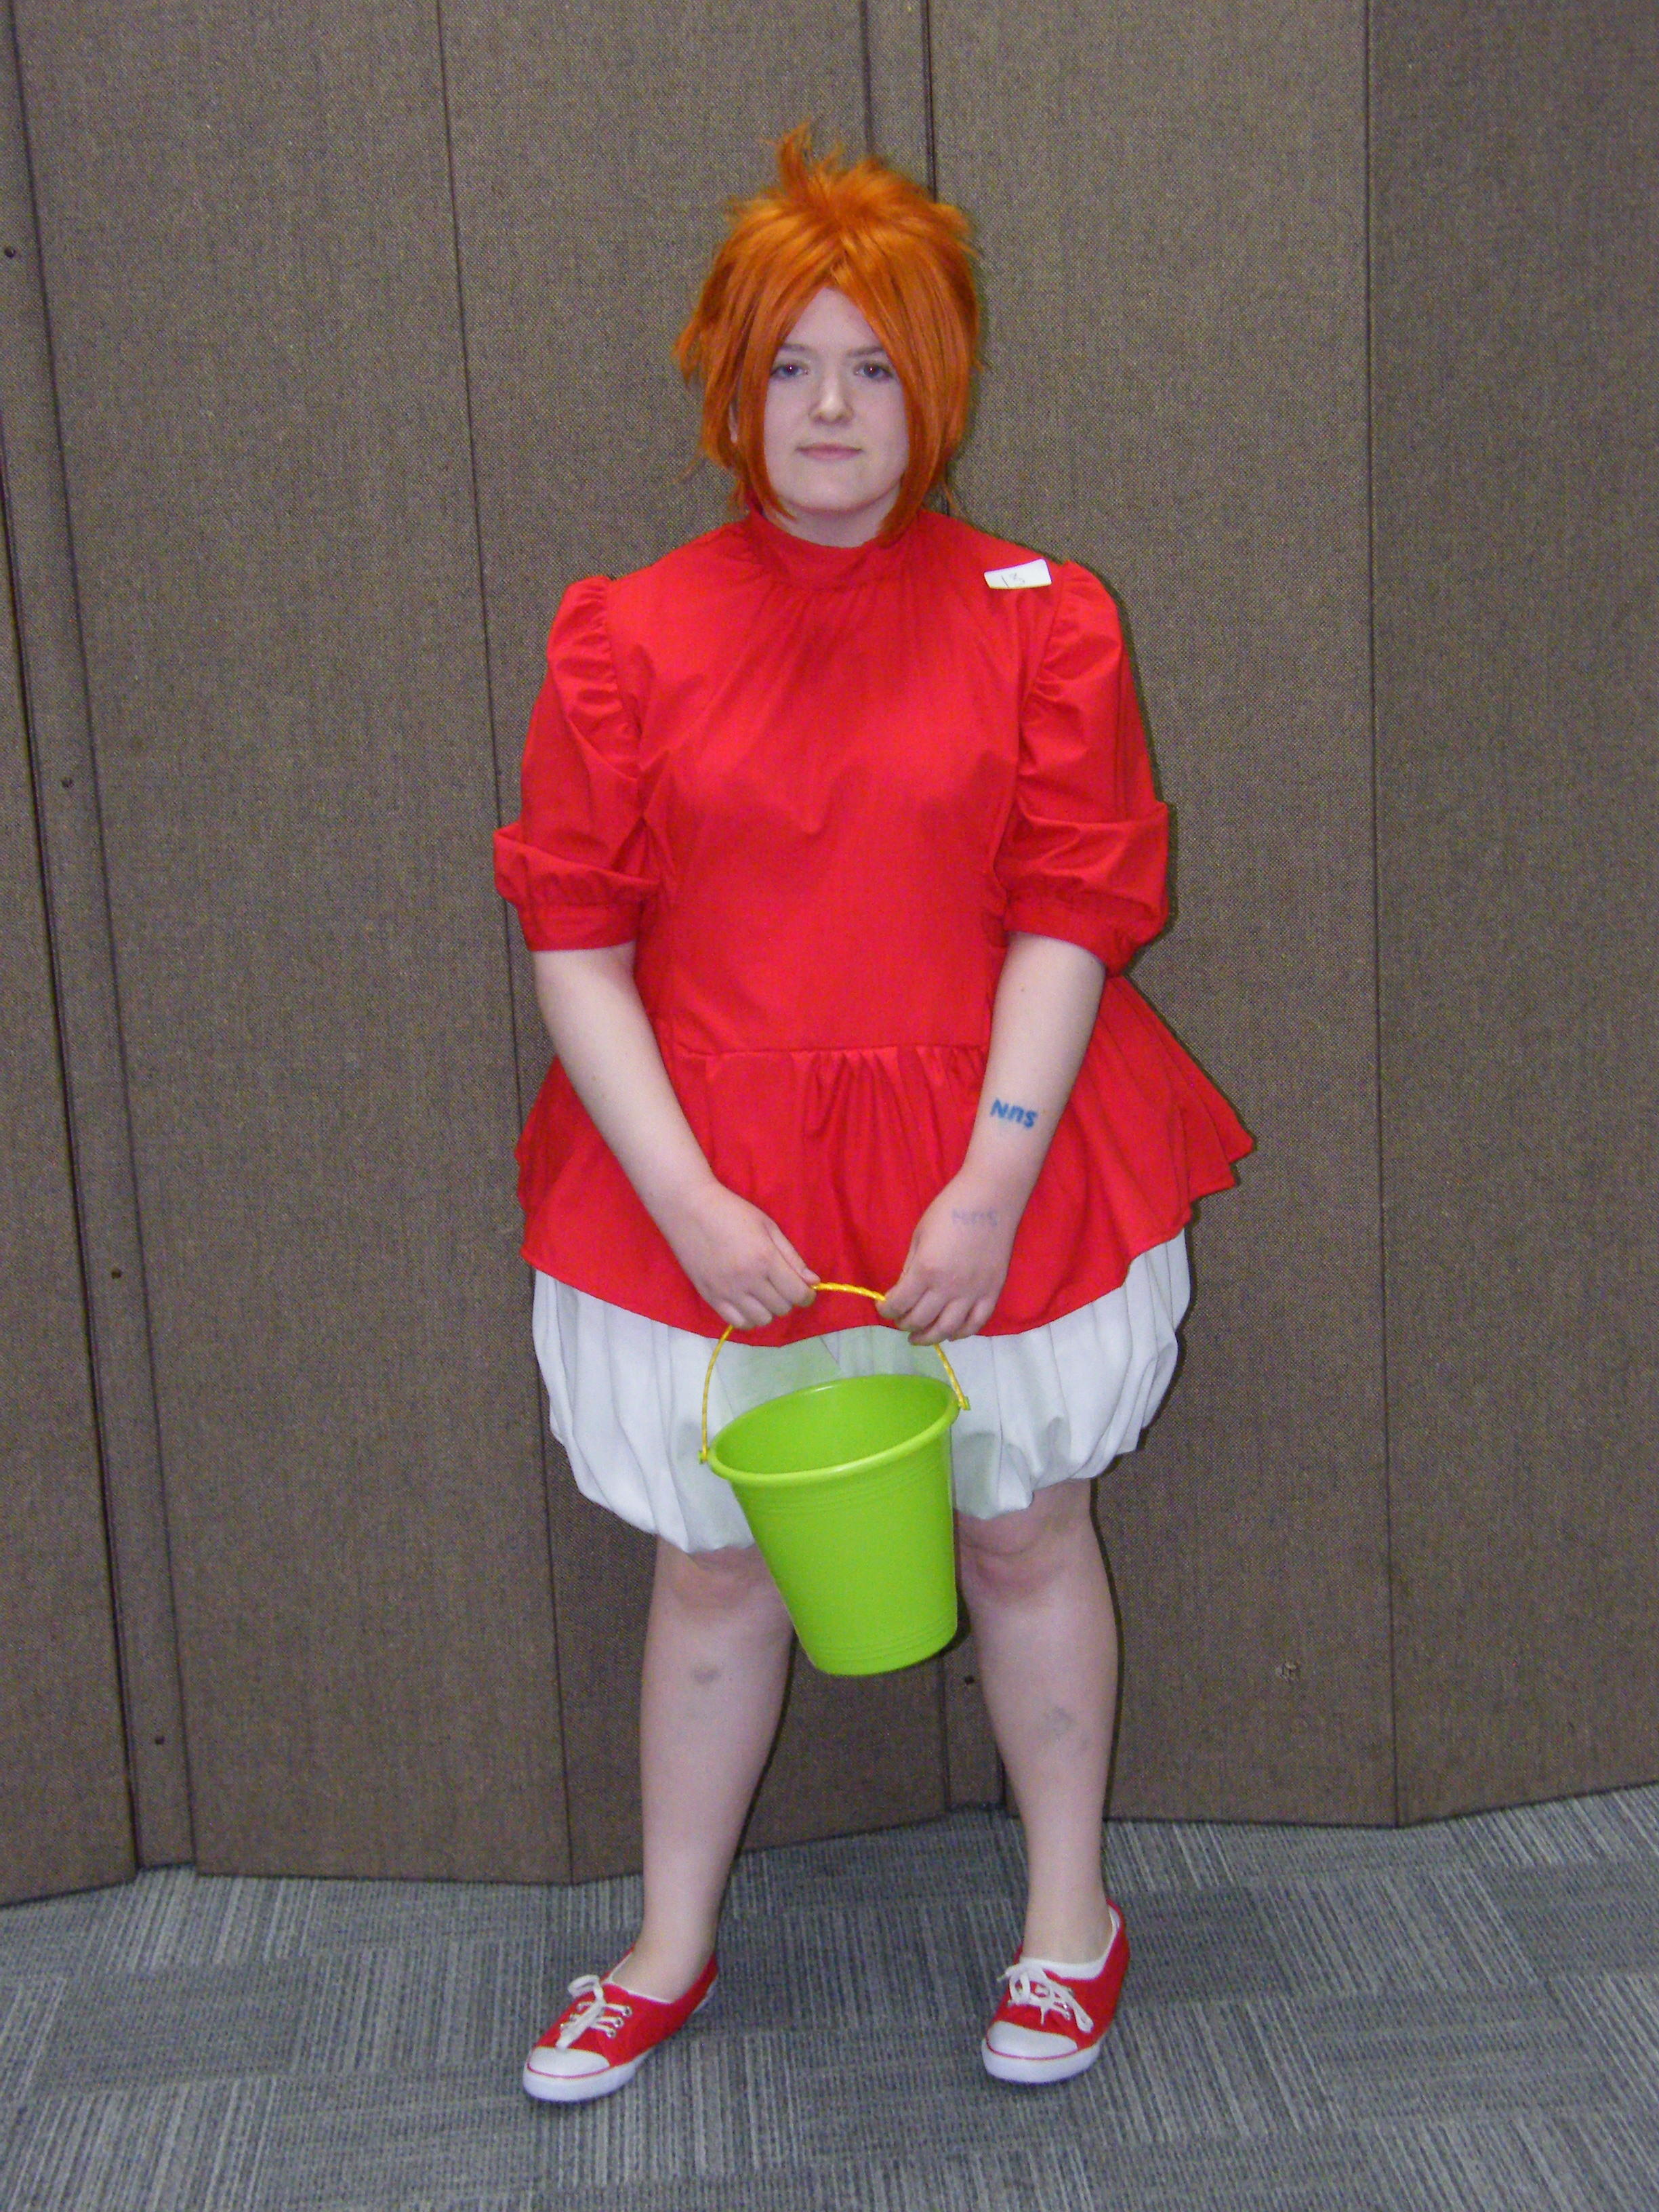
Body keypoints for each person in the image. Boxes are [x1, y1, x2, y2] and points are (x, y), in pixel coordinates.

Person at [493, 128, 1249, 2103]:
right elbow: (574, 942)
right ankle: (667, 1943)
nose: (831, 410)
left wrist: (992, 1186)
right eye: (792, 364)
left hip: (994, 1151)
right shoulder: (625, 633)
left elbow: (1075, 908)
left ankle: (1068, 1922)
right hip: (710, 1170)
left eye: (878, 367)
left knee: (1025, 1529)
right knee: (718, 1565)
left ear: (940, 385)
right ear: (731, 381)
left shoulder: (1045, 616)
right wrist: (687, 1205)